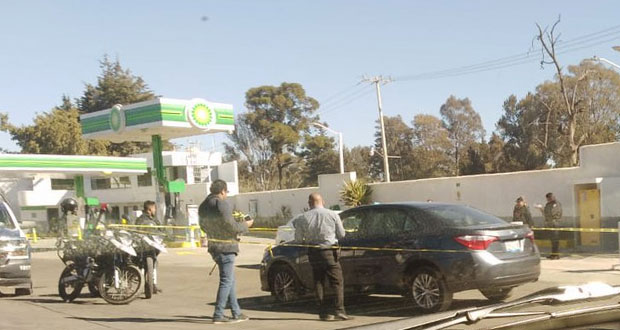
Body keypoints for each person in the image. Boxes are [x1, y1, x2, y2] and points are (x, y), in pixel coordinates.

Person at [199, 179, 253, 324]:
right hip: (226, 246)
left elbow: (204, 226)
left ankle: (236, 312)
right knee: (226, 281)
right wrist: (245, 225)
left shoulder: (203, 205)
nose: (226, 195)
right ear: (223, 191)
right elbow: (231, 226)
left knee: (230, 280)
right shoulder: (221, 203)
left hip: (214, 245)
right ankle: (218, 314)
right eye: (226, 192)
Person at [293, 193, 352, 322]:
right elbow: (341, 234)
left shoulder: (302, 218)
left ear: (309, 203)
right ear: (322, 202)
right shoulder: (332, 215)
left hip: (313, 252)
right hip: (329, 251)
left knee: (318, 281)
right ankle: (339, 311)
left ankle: (323, 313)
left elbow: (298, 239)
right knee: (337, 281)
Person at [536, 192, 562, 260]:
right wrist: (541, 209)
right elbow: (545, 213)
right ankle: (553, 254)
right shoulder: (548, 204)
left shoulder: (556, 204)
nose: (547, 200)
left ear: (552, 197)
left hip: (555, 223)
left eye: (548, 198)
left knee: (555, 240)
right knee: (552, 240)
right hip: (550, 223)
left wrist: (546, 214)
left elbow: (552, 213)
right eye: (547, 199)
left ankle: (556, 255)